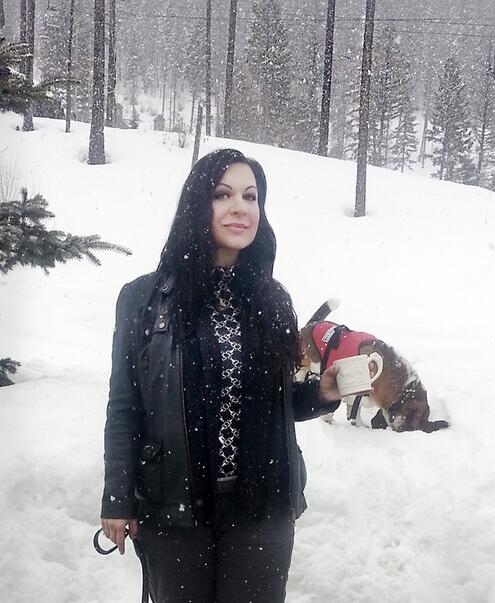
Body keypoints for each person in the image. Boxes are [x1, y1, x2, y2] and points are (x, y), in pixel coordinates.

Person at [100, 148, 341, 603]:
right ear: (197, 205)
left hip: (261, 507)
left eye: (251, 197)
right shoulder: (144, 298)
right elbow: (126, 405)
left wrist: (321, 394)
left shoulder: (272, 299)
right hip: (174, 507)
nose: (239, 208)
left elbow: (272, 400)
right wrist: (117, 497)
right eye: (222, 194)